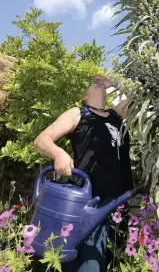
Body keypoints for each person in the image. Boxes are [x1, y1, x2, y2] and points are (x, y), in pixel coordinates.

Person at [34, 75, 133, 272]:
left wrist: (114, 83)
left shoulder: (116, 114)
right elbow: (41, 140)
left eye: (100, 85)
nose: (98, 85)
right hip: (89, 203)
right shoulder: (79, 113)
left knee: (113, 261)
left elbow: (138, 97)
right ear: (84, 97)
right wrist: (58, 153)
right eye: (93, 84)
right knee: (88, 264)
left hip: (118, 203)